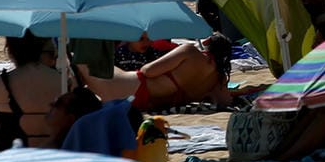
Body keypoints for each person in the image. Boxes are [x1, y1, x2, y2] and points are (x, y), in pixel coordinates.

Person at [0, 35, 78, 149]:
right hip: (57, 151)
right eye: (51, 53)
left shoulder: (3, 83)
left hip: (13, 154)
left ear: (11, 51)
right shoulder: (64, 82)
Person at [91, 33, 240, 112]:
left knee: (85, 64)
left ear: (207, 42)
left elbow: (147, 71)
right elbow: (225, 102)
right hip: (147, 103)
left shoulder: (190, 51)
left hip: (135, 88)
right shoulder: (217, 79)